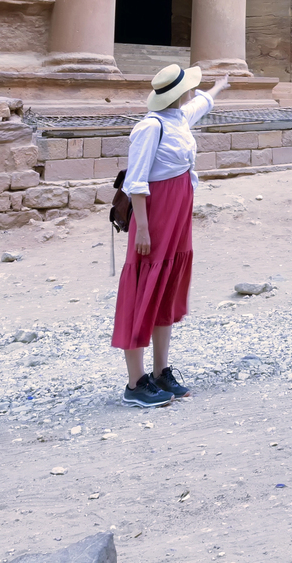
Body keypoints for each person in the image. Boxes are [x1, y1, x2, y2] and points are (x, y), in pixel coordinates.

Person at [113, 63, 228, 408]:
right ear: (179, 93)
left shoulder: (177, 118)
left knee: (166, 285)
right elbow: (136, 180)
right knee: (145, 285)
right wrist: (143, 227)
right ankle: (135, 382)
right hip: (157, 214)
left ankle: (161, 371)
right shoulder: (150, 127)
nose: (193, 92)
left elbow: (200, 105)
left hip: (178, 213)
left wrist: (220, 87)